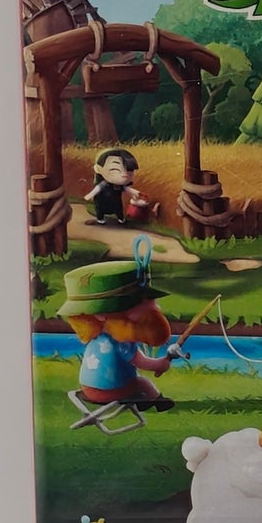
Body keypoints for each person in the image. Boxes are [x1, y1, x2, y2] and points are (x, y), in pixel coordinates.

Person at [59, 253, 178, 415]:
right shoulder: (121, 342)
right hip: (111, 392)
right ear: (100, 314)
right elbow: (142, 363)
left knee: (132, 382)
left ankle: (143, 403)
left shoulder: (97, 337)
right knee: (142, 383)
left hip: (87, 389)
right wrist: (161, 364)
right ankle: (159, 402)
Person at [87, 147, 153, 228]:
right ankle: (101, 219)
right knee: (100, 209)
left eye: (129, 170)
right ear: (98, 169)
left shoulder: (118, 185)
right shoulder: (103, 185)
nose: (124, 174)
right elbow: (96, 189)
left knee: (118, 209)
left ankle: (121, 219)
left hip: (116, 202)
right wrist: (90, 196)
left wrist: (137, 193)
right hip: (102, 202)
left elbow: (127, 189)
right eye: (115, 169)